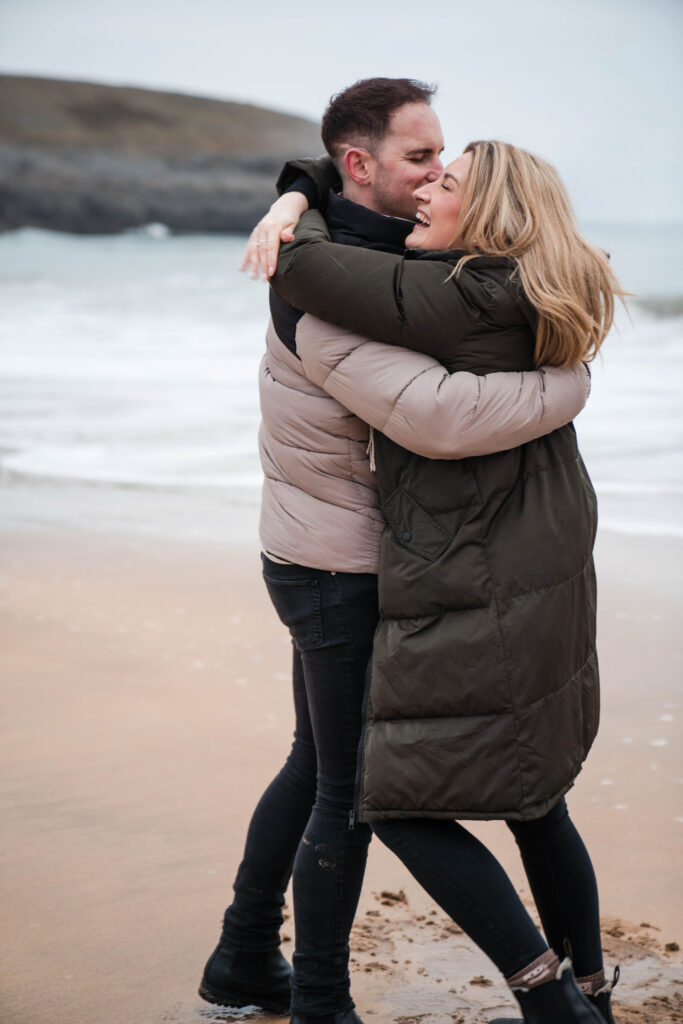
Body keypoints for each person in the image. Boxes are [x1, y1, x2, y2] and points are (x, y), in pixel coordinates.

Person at [198, 81, 591, 1024]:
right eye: (418, 159)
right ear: (360, 166)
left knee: (316, 765)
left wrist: (293, 189)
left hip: (359, 555)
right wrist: (568, 385)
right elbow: (441, 416)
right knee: (352, 789)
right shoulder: (327, 282)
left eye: (440, 162)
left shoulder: (381, 256)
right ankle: (321, 1001)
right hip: (337, 566)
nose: (429, 181)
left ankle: (244, 959)